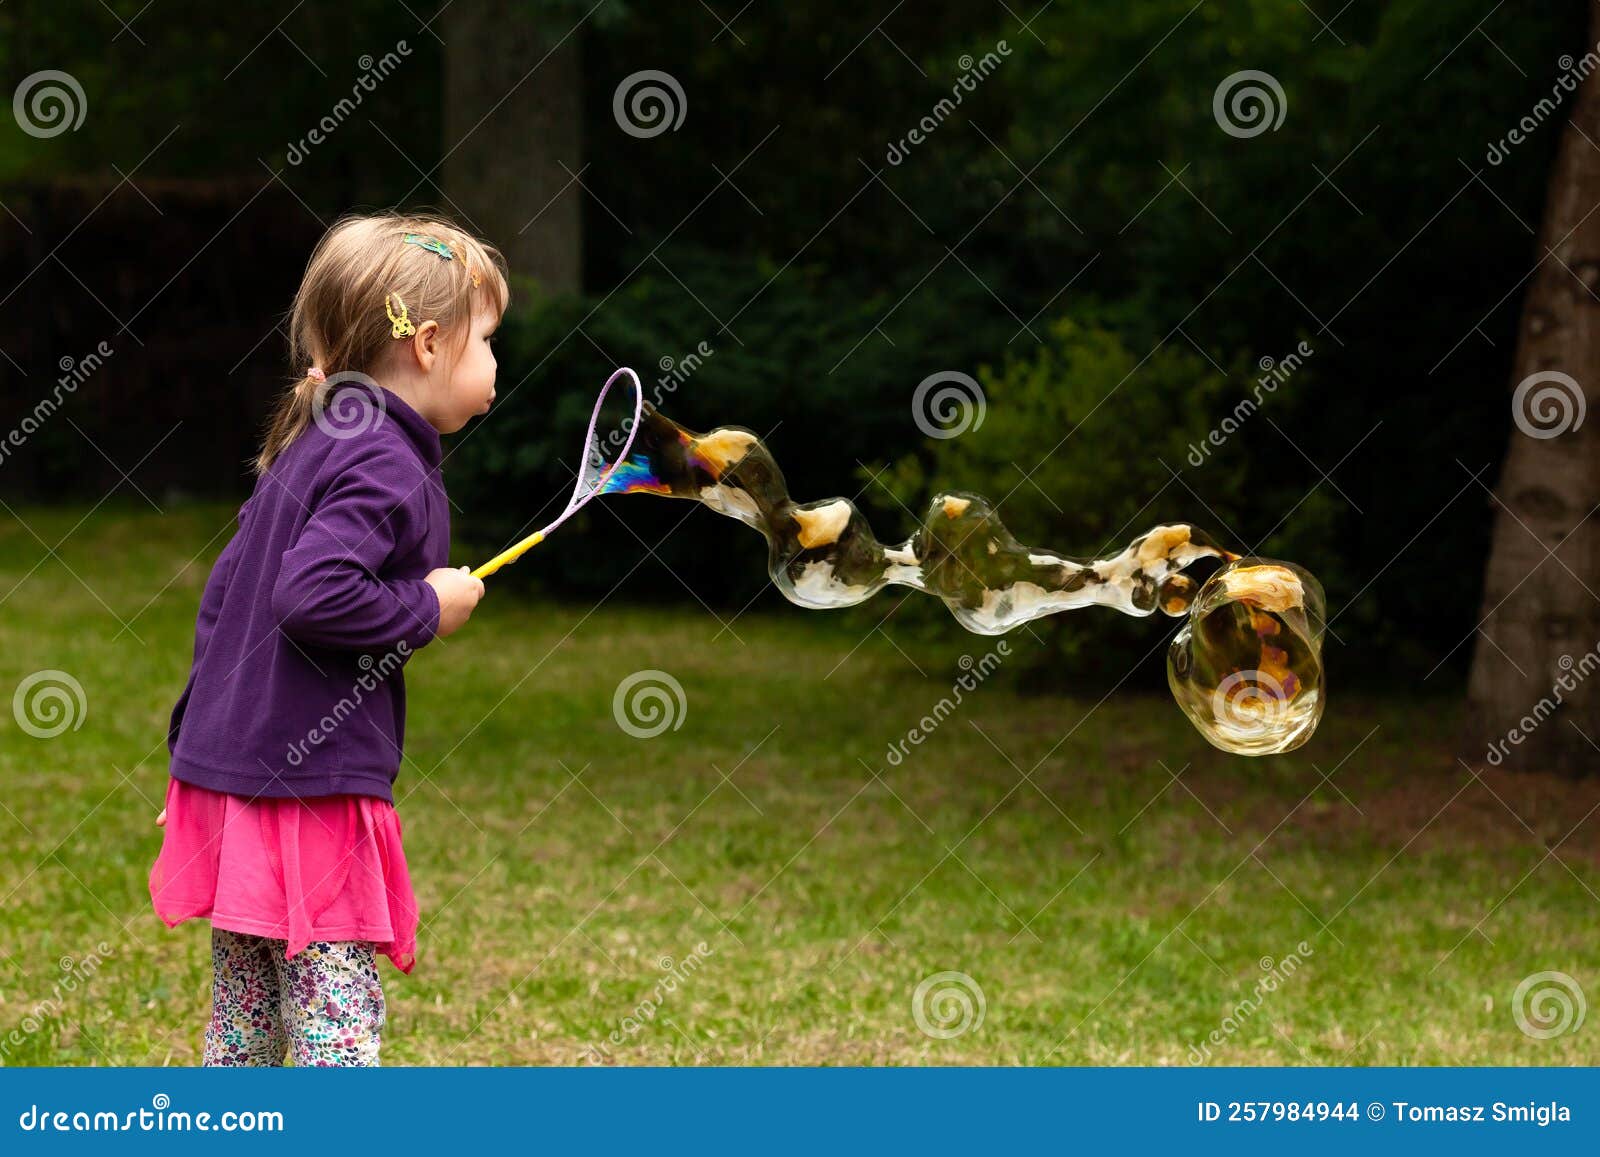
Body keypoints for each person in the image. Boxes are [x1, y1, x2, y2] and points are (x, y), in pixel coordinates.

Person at [148, 213, 506, 1065]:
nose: (495, 363)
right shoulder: (383, 457)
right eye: (488, 340)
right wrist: (427, 606)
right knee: (333, 1026)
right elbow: (311, 595)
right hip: (306, 789)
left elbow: (228, 597)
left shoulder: (321, 438)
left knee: (244, 1026)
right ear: (427, 344)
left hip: (238, 775)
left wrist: (193, 752)